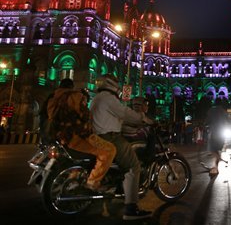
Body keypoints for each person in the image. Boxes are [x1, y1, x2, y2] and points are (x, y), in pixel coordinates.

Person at [90, 75, 153, 220]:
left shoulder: (98, 97)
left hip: (98, 137)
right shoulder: (109, 99)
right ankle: (131, 209)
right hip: (110, 137)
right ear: (113, 86)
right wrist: (141, 117)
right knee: (133, 166)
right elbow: (126, 113)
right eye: (117, 84)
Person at [47, 78, 116, 194]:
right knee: (109, 150)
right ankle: (93, 182)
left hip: (59, 136)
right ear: (71, 87)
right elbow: (84, 115)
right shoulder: (76, 96)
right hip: (75, 136)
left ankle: (78, 176)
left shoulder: (52, 98)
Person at [205, 97, 228, 176]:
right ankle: (216, 166)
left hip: (214, 133)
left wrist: (206, 125)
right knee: (218, 150)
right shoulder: (224, 111)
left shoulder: (211, 110)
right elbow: (227, 121)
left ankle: (215, 167)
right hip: (222, 133)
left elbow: (207, 121)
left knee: (213, 150)